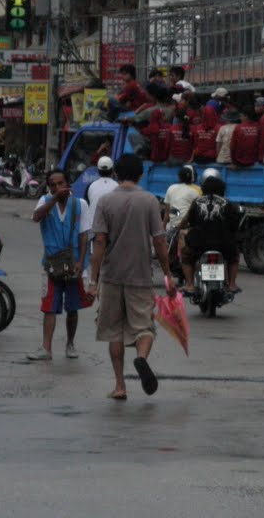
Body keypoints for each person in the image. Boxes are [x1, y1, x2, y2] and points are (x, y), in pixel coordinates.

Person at [88, 154, 177, 400]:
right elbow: (159, 241)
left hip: (111, 275)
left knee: (114, 332)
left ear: (116, 174)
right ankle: (141, 358)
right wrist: (168, 274)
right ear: (140, 175)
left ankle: (119, 386)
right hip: (141, 275)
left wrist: (93, 281)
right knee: (144, 327)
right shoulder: (149, 201)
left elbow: (99, 243)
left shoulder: (105, 201)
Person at [27, 170, 91, 361]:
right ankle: (46, 348)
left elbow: (84, 235)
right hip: (51, 262)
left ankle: (70, 344)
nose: (57, 187)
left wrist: (81, 262)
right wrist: (54, 199)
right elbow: (36, 217)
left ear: (68, 183)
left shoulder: (81, 204)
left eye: (60, 183)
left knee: (72, 307)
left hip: (73, 262)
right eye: (53, 185)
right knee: (49, 307)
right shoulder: (45, 201)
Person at [178, 173, 243, 294]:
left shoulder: (197, 201)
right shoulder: (228, 203)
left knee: (186, 256)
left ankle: (189, 284)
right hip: (223, 244)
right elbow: (234, 225)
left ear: (203, 188)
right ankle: (232, 285)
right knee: (234, 257)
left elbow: (190, 221)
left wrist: (181, 228)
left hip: (199, 243)